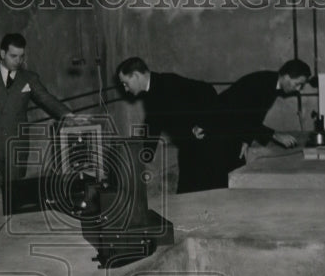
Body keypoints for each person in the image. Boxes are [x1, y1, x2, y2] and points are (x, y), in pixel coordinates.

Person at [0, 33, 75, 192]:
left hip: (16, 148)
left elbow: (46, 99)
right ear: (2, 54)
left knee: (16, 197)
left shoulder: (29, 78)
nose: (18, 61)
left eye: (21, 56)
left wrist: (68, 115)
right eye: (13, 56)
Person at [115, 57, 220, 193]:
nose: (125, 89)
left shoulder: (168, 82)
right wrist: (144, 156)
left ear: (135, 76)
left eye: (125, 83)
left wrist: (203, 124)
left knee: (202, 196)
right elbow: (153, 125)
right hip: (189, 149)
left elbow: (208, 90)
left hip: (205, 148)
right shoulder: (151, 94)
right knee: (186, 197)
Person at [210, 59, 312, 173]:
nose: (298, 89)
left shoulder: (272, 83)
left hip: (229, 126)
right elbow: (242, 117)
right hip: (216, 127)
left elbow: (254, 116)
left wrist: (246, 141)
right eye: (298, 84)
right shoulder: (263, 84)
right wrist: (275, 135)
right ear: (286, 76)